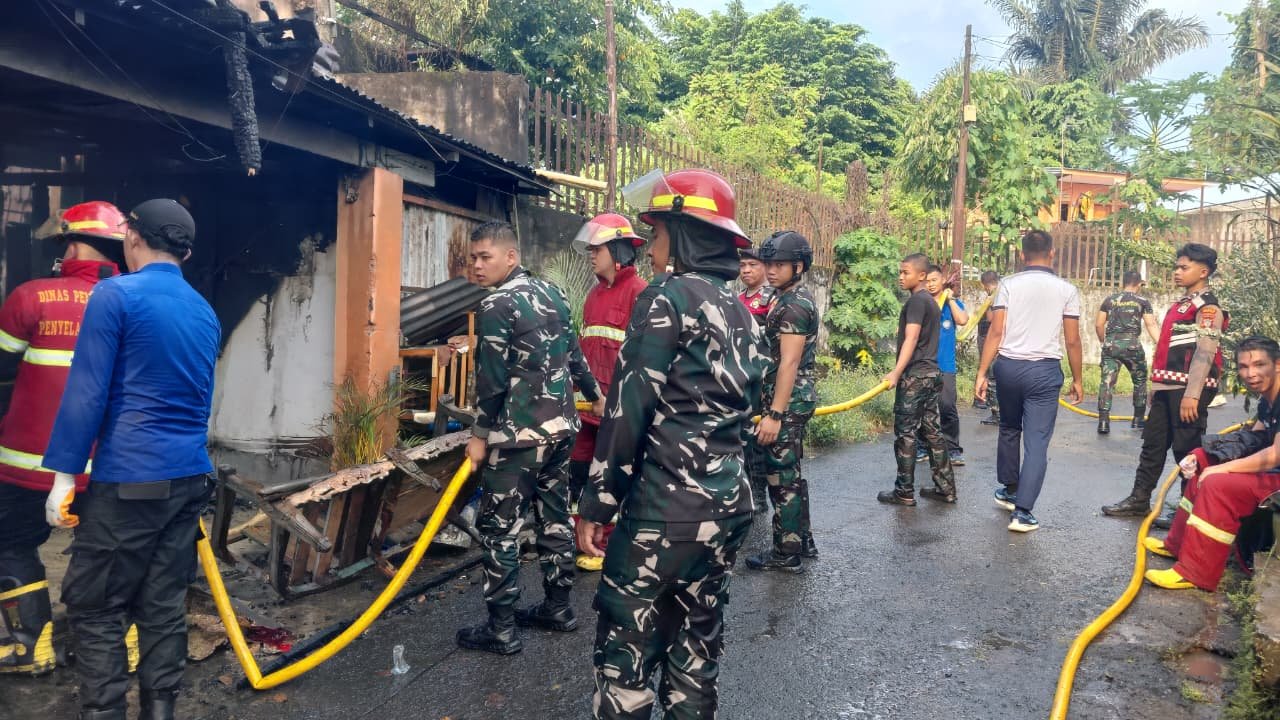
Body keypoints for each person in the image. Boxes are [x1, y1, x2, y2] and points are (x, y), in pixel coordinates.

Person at [576, 168, 762, 719]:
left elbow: (628, 413)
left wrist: (597, 504)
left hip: (665, 511)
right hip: (727, 507)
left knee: (626, 659)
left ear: (682, 236)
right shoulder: (741, 312)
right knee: (696, 657)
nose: (650, 249)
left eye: (656, 235)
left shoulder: (666, 299)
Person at [43, 199, 220, 720]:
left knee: (95, 604)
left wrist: (62, 478)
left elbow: (86, 393)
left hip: (129, 480)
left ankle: (104, 712)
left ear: (133, 239)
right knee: (162, 602)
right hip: (188, 478)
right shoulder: (204, 310)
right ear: (185, 252)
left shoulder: (114, 294)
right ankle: (159, 711)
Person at [457, 221, 602, 655]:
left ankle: (500, 628)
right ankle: (559, 609)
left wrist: (480, 436)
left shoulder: (497, 305)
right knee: (554, 519)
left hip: (517, 438)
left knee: (499, 529)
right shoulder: (551, 293)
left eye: (485, 257)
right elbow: (574, 354)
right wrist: (594, 395)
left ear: (511, 257)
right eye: (473, 259)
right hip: (560, 432)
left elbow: (492, 381)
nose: (477, 266)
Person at [0, 202, 123, 676]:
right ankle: (105, 656)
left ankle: (29, 648)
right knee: (105, 556)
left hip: (28, 464)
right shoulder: (132, 301)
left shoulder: (31, 296)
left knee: (11, 544)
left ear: (71, 244)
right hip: (106, 467)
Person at [1144, 336, 1280, 591]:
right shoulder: (1267, 398)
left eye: (1259, 365)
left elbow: (1274, 455)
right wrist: (1205, 453)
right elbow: (1256, 438)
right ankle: (1178, 544)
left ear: (1277, 365)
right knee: (1203, 459)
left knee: (1219, 484)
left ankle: (1196, 572)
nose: (1250, 374)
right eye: (1243, 367)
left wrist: (1223, 467)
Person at [1102, 244, 1227, 519]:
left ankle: (1189, 510)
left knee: (1187, 450)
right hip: (1167, 388)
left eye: (1184, 267)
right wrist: (1155, 388)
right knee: (1153, 444)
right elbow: (1166, 351)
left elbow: (1205, 353)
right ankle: (1139, 499)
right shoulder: (1182, 304)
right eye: (1177, 266)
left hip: (1187, 391)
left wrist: (1192, 395)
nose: (1177, 272)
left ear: (1203, 271)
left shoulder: (1208, 308)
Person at [974, 230, 1084, 533]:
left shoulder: (1008, 285)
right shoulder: (1067, 290)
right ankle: (1022, 513)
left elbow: (996, 332)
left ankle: (1010, 489)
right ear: (1052, 253)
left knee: (1009, 428)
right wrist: (1078, 378)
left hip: (1008, 368)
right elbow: (1072, 340)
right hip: (1044, 372)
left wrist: (982, 372)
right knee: (1036, 442)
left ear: (1022, 256)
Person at [568, 213, 648, 573]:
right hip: (586, 407)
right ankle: (579, 536)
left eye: (596, 248)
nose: (590, 254)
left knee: (612, 474)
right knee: (579, 471)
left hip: (616, 411)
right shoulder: (594, 295)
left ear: (618, 250)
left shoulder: (640, 294)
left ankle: (607, 544)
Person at [746, 230, 819, 572]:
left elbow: (789, 362)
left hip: (786, 402)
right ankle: (801, 539)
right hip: (787, 399)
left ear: (799, 266)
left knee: (781, 476)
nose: (771, 270)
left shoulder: (793, 306)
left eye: (779, 264)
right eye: (768, 263)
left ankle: (786, 553)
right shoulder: (783, 298)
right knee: (790, 470)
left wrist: (774, 414)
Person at [877, 253, 956, 506]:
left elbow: (911, 339)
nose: (901, 277)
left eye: (906, 273)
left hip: (915, 377)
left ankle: (904, 491)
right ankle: (946, 488)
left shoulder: (916, 303)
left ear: (921, 275)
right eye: (900, 272)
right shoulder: (931, 302)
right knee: (932, 432)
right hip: (932, 374)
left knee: (906, 434)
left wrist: (897, 372)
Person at [1094, 270, 1159, 434]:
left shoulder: (1110, 300)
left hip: (1111, 346)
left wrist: (1104, 341)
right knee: (1140, 381)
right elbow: (1151, 325)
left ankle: (1103, 422)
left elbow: (1098, 324)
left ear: (1123, 282)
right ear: (1139, 284)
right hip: (1132, 346)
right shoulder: (1143, 301)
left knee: (1107, 382)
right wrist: (1161, 343)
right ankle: (1138, 419)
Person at [916, 264, 968, 465]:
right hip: (924, 364)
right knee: (922, 407)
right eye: (927, 281)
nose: (930, 284)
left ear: (942, 280)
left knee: (947, 406)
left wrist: (951, 298)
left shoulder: (951, 303)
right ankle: (922, 447)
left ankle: (953, 448)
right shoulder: (922, 303)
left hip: (945, 365)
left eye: (934, 280)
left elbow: (963, 320)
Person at [738, 245, 774, 514]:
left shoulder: (771, 299)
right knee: (740, 437)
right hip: (738, 379)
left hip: (762, 380)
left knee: (758, 440)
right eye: (743, 266)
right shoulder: (736, 299)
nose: (747, 270)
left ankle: (759, 495)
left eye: (753, 265)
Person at [975, 271, 1001, 425]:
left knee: (991, 378)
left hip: (993, 341)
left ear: (985, 284)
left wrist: (985, 309)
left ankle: (997, 414)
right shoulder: (1004, 293)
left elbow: (991, 319)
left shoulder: (994, 296)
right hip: (1002, 343)